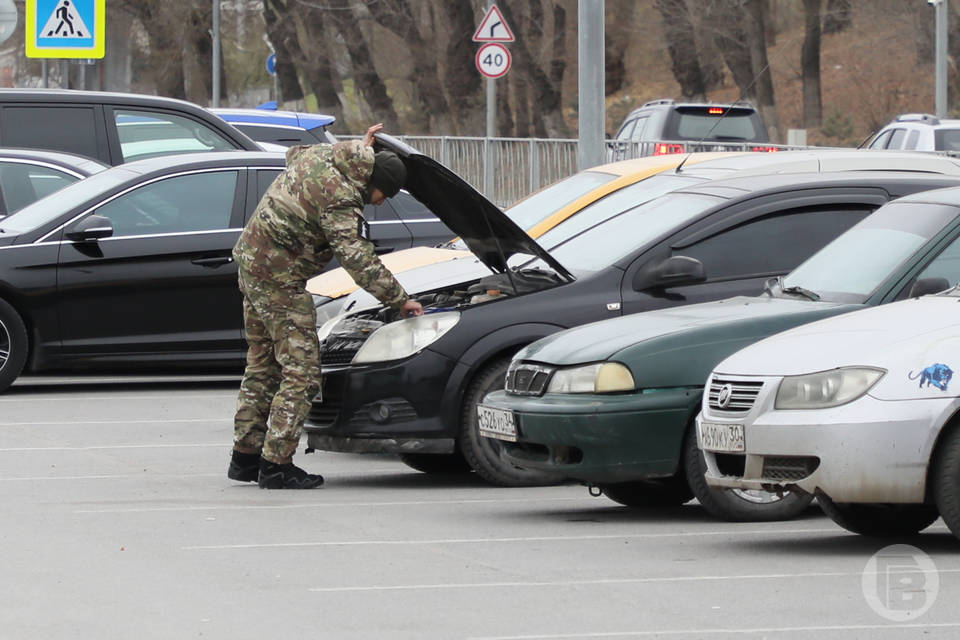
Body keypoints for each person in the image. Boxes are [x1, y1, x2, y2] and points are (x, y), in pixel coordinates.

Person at [227, 123, 423, 489]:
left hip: (252, 265)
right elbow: (357, 258)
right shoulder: (341, 198)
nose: (380, 201)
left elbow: (295, 155)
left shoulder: (321, 156)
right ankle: (276, 465)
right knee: (302, 373)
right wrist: (400, 299)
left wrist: (363, 149)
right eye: (383, 193)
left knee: (263, 364)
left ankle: (246, 457)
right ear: (371, 181)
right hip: (280, 279)